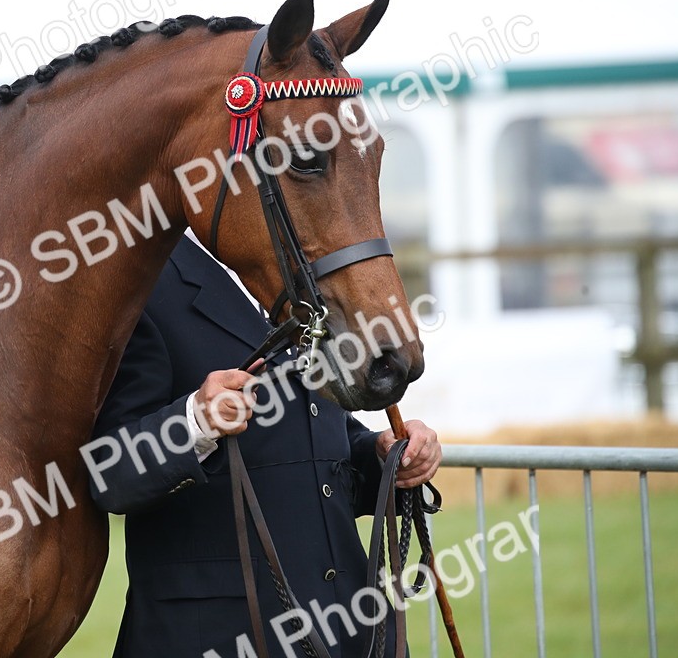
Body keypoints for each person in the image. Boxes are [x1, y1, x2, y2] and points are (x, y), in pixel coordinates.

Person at [89, 234, 442, 658]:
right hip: (215, 636)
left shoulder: (301, 264)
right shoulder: (142, 271)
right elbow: (110, 473)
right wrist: (195, 422)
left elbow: (315, 438)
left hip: (348, 629)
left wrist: (383, 458)